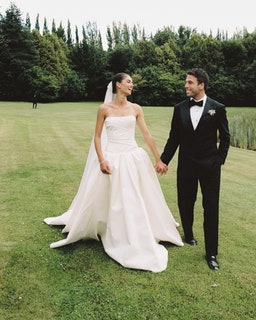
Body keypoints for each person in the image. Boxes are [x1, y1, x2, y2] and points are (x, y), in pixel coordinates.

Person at [44, 72, 183, 273]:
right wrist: (102, 160)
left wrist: (158, 159)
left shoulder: (136, 108)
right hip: (112, 159)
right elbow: (98, 137)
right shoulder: (104, 109)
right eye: (128, 82)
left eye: (132, 83)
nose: (131, 85)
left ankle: (136, 230)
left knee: (134, 196)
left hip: (132, 157)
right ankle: (109, 227)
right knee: (110, 198)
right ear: (117, 84)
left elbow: (146, 134)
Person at [160, 68, 230, 270]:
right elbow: (174, 138)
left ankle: (211, 254)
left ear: (202, 85)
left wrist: (219, 160)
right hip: (186, 165)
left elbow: (225, 138)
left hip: (210, 167)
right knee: (185, 202)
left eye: (190, 82)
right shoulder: (179, 108)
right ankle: (188, 234)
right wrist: (164, 160)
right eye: (186, 82)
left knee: (211, 208)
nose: (186, 85)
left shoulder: (217, 108)